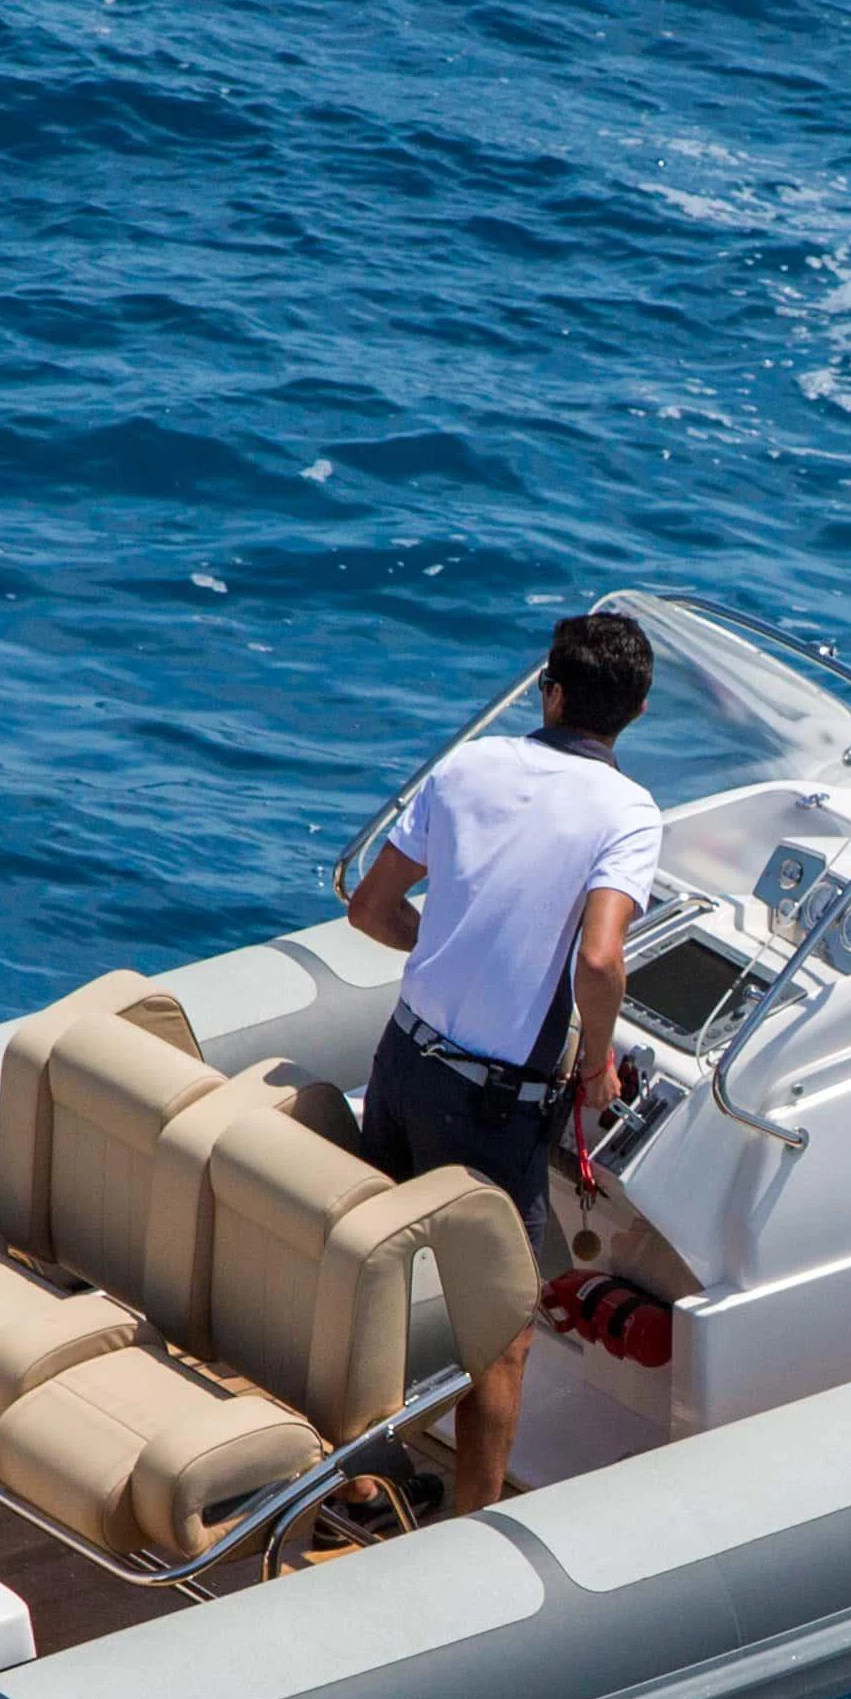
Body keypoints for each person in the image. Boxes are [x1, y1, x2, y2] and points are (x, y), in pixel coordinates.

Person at [343, 607, 660, 1513]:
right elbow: (600, 959)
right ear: (630, 715)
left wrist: (443, 951)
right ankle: (470, 1538)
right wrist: (598, 1062)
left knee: (376, 1286)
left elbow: (369, 908)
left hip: (404, 1063)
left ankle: (363, 1483)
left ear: (550, 693)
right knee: (503, 1336)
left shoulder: (468, 766)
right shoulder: (628, 812)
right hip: (492, 1113)